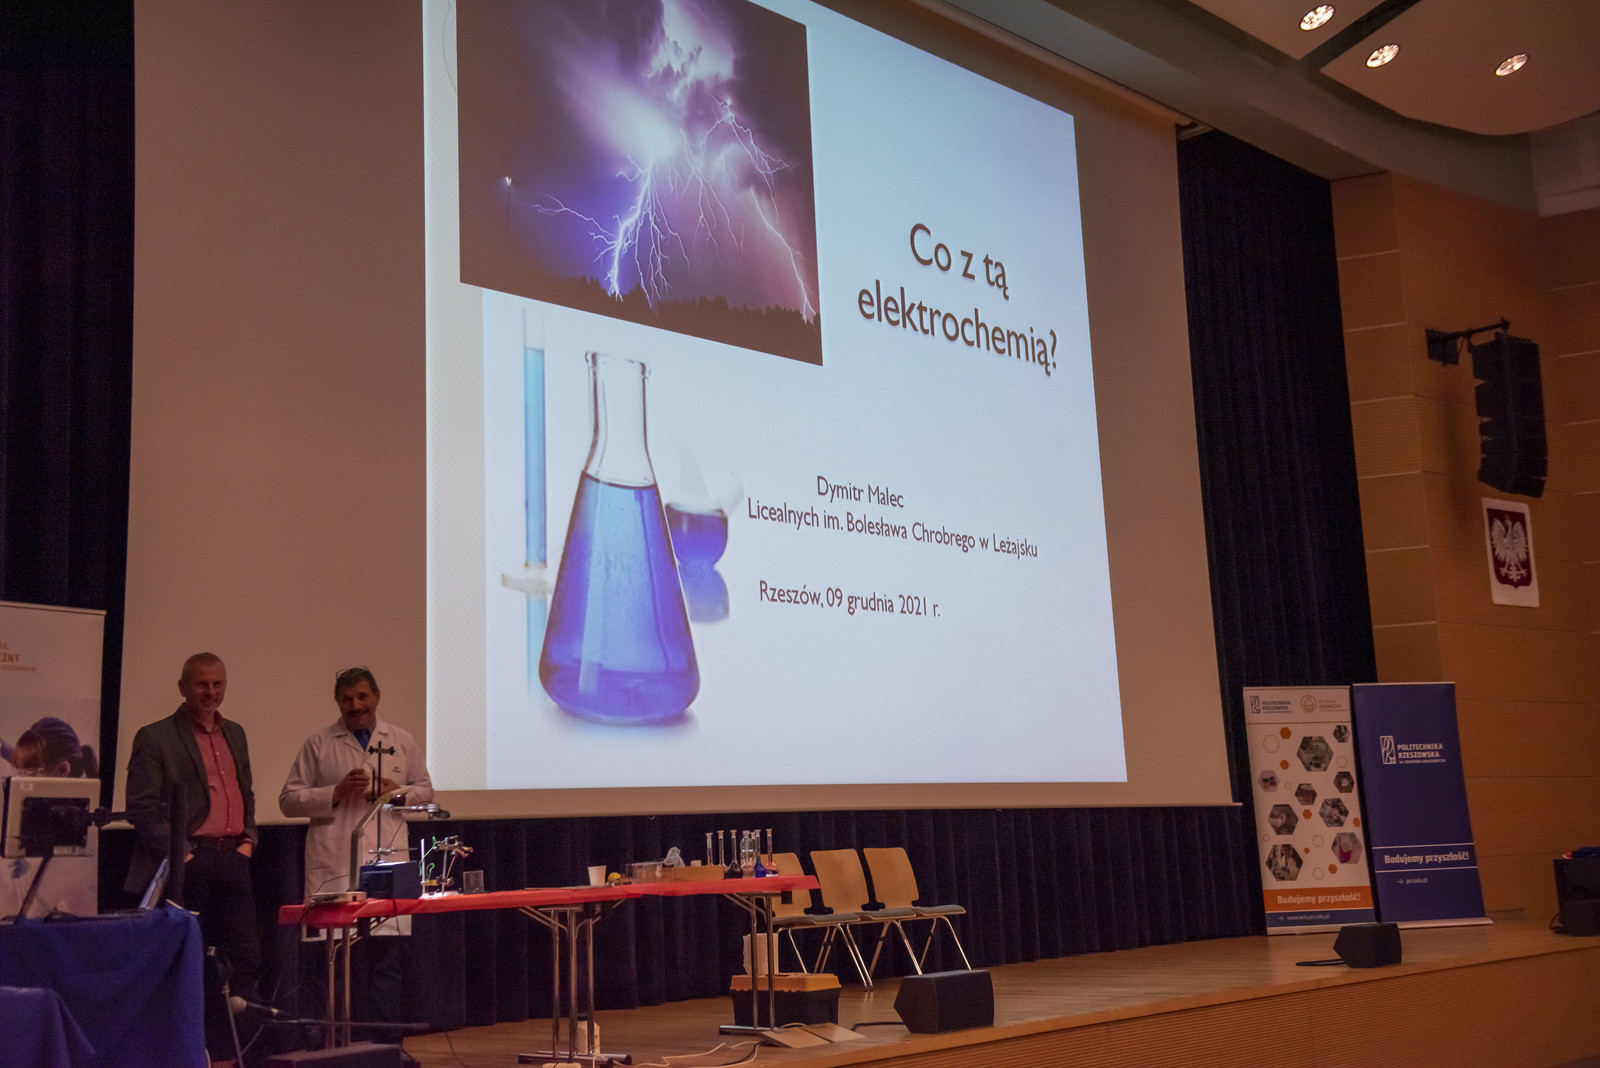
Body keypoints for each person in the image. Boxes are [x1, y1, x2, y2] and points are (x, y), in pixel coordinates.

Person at [280, 666, 433, 1028]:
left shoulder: (401, 740)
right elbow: (288, 800)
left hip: (386, 863)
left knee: (386, 965)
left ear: (377, 696)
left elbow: (426, 794)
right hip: (335, 864)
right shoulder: (319, 744)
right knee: (330, 962)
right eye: (347, 699)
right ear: (337, 702)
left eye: (362, 697)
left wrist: (396, 793)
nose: (355, 705)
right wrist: (335, 792)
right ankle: (327, 1044)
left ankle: (387, 1047)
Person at [124, 652, 260, 1054]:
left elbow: (246, 792)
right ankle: (189, 1052)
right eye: (202, 684)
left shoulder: (235, 732)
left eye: (217, 684)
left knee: (244, 959)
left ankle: (235, 1052)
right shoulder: (155, 736)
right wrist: (183, 856)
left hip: (233, 858)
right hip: (189, 864)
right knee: (191, 963)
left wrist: (248, 842)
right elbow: (141, 807)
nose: (210, 692)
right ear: (183, 687)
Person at [1, 717, 99, 919]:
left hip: (61, 938)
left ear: (63, 770)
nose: (21, 784)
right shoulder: (51, 821)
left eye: (29, 775)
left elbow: (19, 912)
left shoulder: (73, 839)